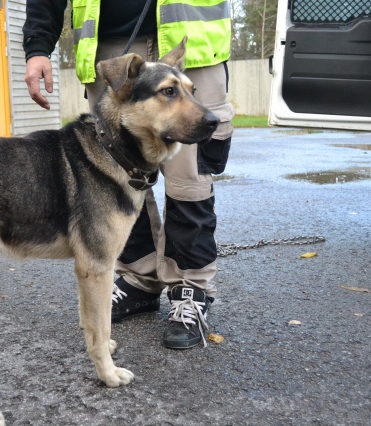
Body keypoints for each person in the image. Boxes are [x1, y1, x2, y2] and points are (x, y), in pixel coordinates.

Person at [23, 0, 233, 348]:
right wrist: (38, 45)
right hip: (110, 42)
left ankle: (191, 289)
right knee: (115, 179)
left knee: (189, 180)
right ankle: (138, 278)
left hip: (194, 37)